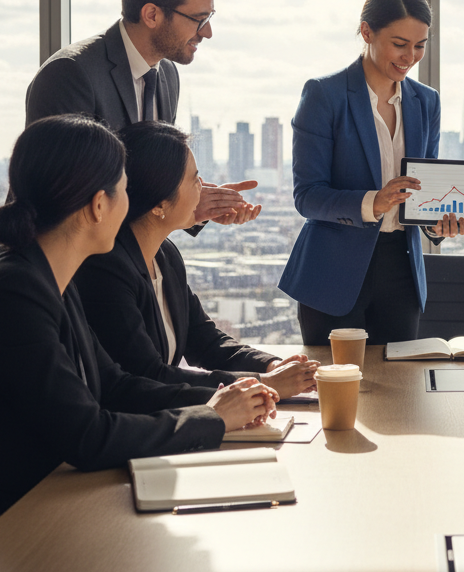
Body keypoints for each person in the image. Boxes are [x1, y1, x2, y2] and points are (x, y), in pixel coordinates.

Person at [0, 115, 277, 524]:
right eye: (125, 190)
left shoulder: (47, 273)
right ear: (97, 205)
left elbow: (115, 385)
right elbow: (87, 436)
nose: (132, 206)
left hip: (55, 495)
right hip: (10, 523)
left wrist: (226, 402)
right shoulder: (13, 291)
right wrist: (212, 418)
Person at [278, 0, 464, 344]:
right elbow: (307, 196)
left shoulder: (426, 101)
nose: (410, 56)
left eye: (420, 46)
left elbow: (423, 189)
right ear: (367, 31)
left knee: (400, 393)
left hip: (402, 271)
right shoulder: (325, 94)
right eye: (399, 44)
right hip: (333, 272)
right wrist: (372, 202)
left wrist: (436, 224)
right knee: (339, 391)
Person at [25, 0, 257, 228]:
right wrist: (171, 204)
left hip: (126, 262)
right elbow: (67, 201)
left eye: (209, 18)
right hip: (66, 269)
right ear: (152, 15)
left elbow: (148, 185)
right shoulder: (71, 75)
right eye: (199, 19)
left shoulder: (168, 74)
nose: (207, 32)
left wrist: (190, 204)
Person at [75, 121, 318, 395]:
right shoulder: (107, 270)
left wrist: (272, 366)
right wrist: (261, 385)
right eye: (195, 179)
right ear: (159, 205)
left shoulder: (165, 255)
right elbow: (147, 376)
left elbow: (205, 341)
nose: (203, 189)